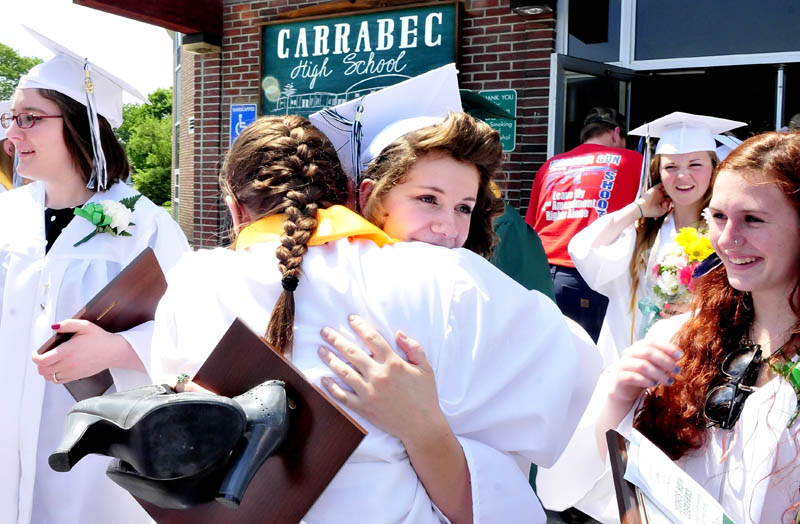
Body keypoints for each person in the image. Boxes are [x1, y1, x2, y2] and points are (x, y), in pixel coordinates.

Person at [149, 114, 596, 523]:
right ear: (354, 195)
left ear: (235, 207)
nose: (447, 226)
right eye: (427, 199)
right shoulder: (449, 279)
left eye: (464, 206)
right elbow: (577, 377)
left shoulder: (194, 281)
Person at [558, 130, 800, 523]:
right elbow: (606, 480)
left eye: (753, 219)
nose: (727, 239)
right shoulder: (684, 338)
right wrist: (620, 394)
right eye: (718, 217)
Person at [0, 30, 189, 524]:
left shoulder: (143, 223)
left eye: (29, 119)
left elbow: (197, 331)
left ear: (84, 125)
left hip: (93, 452)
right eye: (9, 118)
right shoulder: (6, 215)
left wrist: (117, 349)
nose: (10, 135)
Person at [567, 112, 746, 367]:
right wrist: (639, 208)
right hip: (639, 360)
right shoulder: (644, 232)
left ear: (714, 169)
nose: (682, 176)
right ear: (659, 173)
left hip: (700, 361)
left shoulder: (727, 232)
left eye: (695, 164)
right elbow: (583, 249)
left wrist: (699, 309)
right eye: (671, 167)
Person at [525, 107, 642, 342]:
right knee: (590, 364)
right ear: (616, 133)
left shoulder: (550, 165)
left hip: (541, 272)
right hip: (587, 276)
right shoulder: (633, 161)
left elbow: (531, 224)